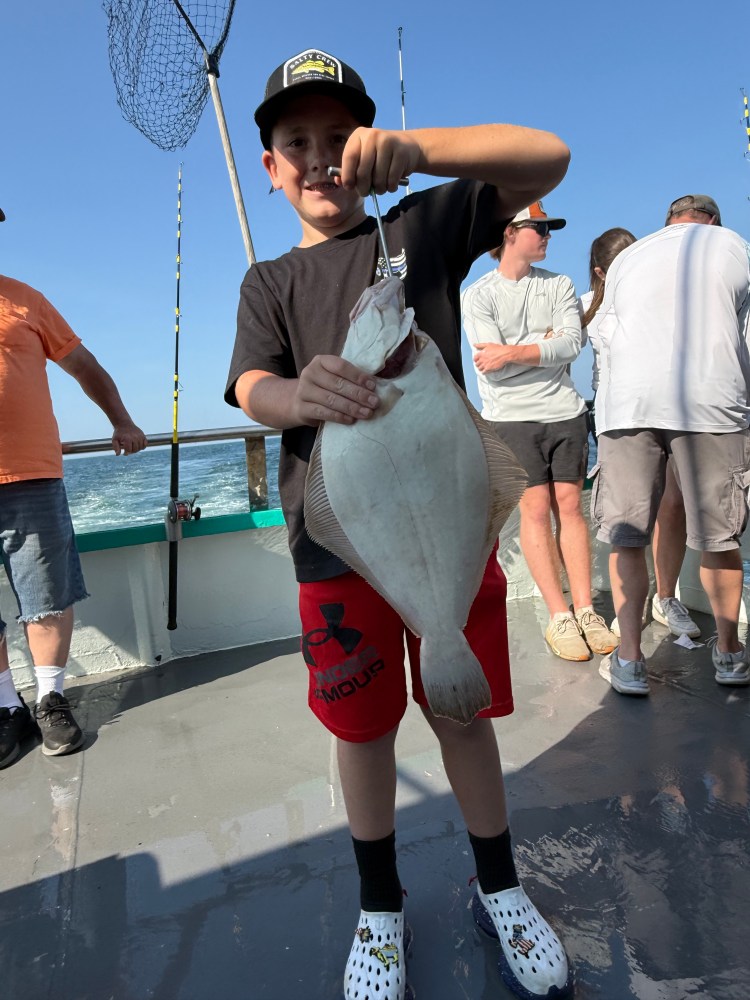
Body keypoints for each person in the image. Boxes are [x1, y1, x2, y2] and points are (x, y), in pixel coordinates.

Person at [225, 48, 573, 1000]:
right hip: (338, 555)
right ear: (271, 167)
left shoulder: (419, 225)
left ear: (369, 144)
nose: (320, 157)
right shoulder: (268, 284)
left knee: (463, 717)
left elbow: (546, 157)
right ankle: (380, 908)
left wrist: (418, 152)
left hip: (448, 534)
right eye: (297, 142)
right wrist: (297, 392)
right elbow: (252, 385)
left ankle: (500, 885)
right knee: (363, 732)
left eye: (340, 138)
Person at [0, 204, 148, 768]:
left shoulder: (25, 299)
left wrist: (122, 420)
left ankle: (50, 698)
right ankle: (3, 706)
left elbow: (85, 366)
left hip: (31, 473)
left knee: (45, 595)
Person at [591, 194, 750, 696]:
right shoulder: (734, 245)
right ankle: (729, 653)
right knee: (720, 537)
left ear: (668, 223)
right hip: (713, 402)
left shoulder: (631, 258)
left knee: (627, 536)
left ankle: (631, 659)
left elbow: (602, 332)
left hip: (628, 405)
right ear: (712, 222)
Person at [462, 203, 617, 663]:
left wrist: (512, 352)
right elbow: (489, 370)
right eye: (540, 227)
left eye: (548, 228)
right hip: (511, 418)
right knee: (534, 511)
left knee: (571, 507)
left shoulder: (560, 284)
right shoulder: (479, 294)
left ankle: (585, 609)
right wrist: (540, 347)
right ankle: (558, 616)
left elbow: (572, 344)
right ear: (509, 232)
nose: (548, 235)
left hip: (565, 412)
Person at [580, 227, 701, 640]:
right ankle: (633, 608)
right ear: (600, 272)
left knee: (673, 503)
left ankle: (666, 597)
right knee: (627, 522)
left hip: (668, 411)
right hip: (618, 420)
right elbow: (558, 351)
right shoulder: (585, 311)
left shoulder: (659, 305)